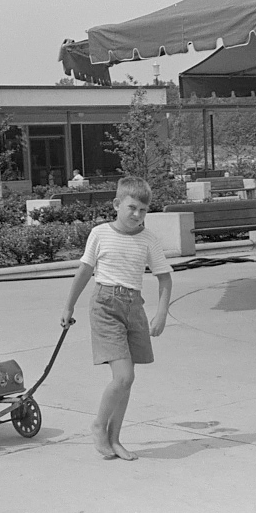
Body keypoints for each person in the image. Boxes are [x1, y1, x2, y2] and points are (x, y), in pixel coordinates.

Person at [60, 176, 173, 461]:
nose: (137, 215)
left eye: (143, 210)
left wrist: (161, 313)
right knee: (123, 376)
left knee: (127, 381)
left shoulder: (148, 239)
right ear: (117, 204)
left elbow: (165, 278)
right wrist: (68, 307)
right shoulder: (100, 233)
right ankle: (98, 425)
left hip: (133, 308)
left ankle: (115, 438)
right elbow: (84, 271)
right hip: (105, 306)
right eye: (132, 207)